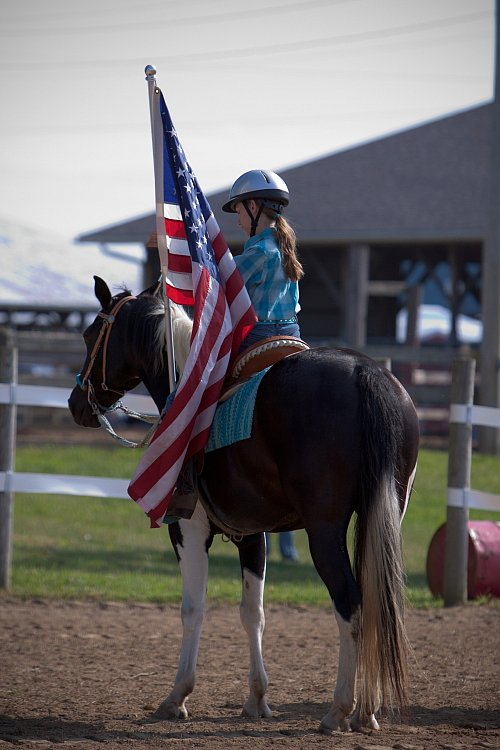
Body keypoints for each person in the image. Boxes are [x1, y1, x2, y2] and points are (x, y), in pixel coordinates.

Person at [222, 169, 304, 349]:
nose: (238, 222)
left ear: (252, 206)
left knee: (214, 370)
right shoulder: (284, 247)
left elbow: (220, 280)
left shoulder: (260, 251)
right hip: (292, 331)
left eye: (238, 212)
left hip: (260, 335)